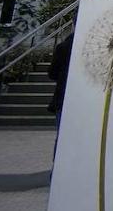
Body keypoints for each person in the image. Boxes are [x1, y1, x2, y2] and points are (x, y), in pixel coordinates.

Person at [47, 30, 74, 160]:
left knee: (62, 138)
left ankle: (57, 174)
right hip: (86, 103)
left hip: (63, 99)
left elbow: (52, 73)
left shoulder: (64, 46)